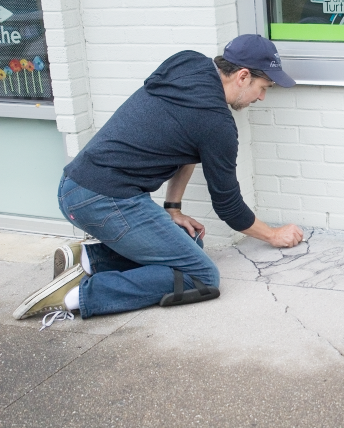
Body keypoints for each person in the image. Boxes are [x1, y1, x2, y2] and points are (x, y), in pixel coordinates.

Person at [13, 34, 304, 326]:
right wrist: (272, 235)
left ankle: (88, 260)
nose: (262, 97)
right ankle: (74, 296)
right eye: (263, 87)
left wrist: (173, 208)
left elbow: (188, 146)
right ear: (243, 76)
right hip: (105, 200)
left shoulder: (189, 64)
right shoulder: (216, 123)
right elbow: (228, 206)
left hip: (75, 185)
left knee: (190, 242)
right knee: (202, 275)